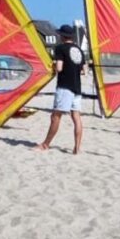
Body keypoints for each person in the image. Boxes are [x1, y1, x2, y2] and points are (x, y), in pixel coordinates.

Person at [36, 24, 87, 154]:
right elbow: (84, 71)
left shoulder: (60, 48)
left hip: (65, 86)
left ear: (62, 37)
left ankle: (46, 144)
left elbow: (59, 68)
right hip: (77, 87)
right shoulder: (79, 50)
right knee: (76, 117)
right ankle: (77, 148)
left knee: (55, 116)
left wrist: (52, 67)